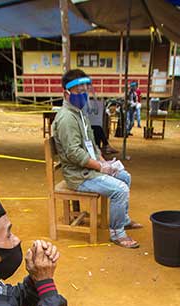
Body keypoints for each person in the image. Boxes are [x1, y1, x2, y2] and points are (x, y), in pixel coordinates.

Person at [53, 69, 143, 249]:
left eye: (85, 90)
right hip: (78, 176)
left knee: (125, 176)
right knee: (120, 189)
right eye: (80, 92)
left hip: (89, 169)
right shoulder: (66, 119)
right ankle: (117, 233)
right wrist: (100, 167)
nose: (84, 94)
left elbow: (91, 145)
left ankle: (123, 220)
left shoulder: (79, 113)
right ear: (66, 93)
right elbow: (74, 153)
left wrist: (104, 161)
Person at [85, 89, 118, 156]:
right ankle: (105, 146)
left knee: (97, 129)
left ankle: (103, 147)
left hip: (90, 125)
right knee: (97, 129)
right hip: (85, 127)